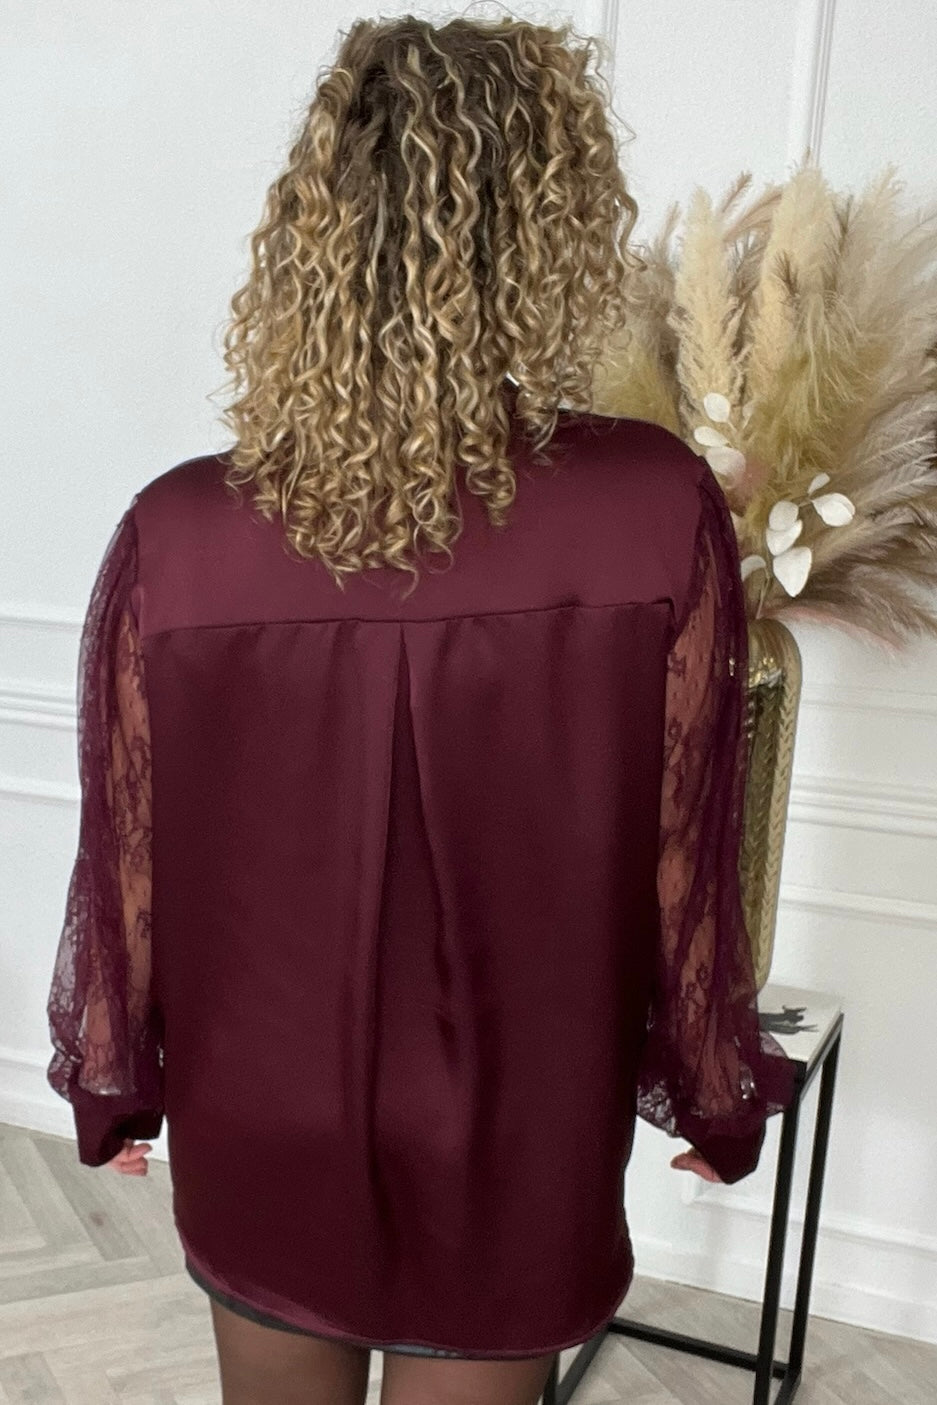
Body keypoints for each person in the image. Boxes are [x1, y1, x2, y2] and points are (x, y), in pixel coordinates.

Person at [45, 12, 796, 1405]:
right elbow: (685, 849)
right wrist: (712, 1084)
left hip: (263, 1099)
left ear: (314, 237)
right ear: (551, 236)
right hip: (520, 1113)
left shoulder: (179, 532)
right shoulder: (652, 506)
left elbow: (127, 855)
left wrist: (115, 1080)